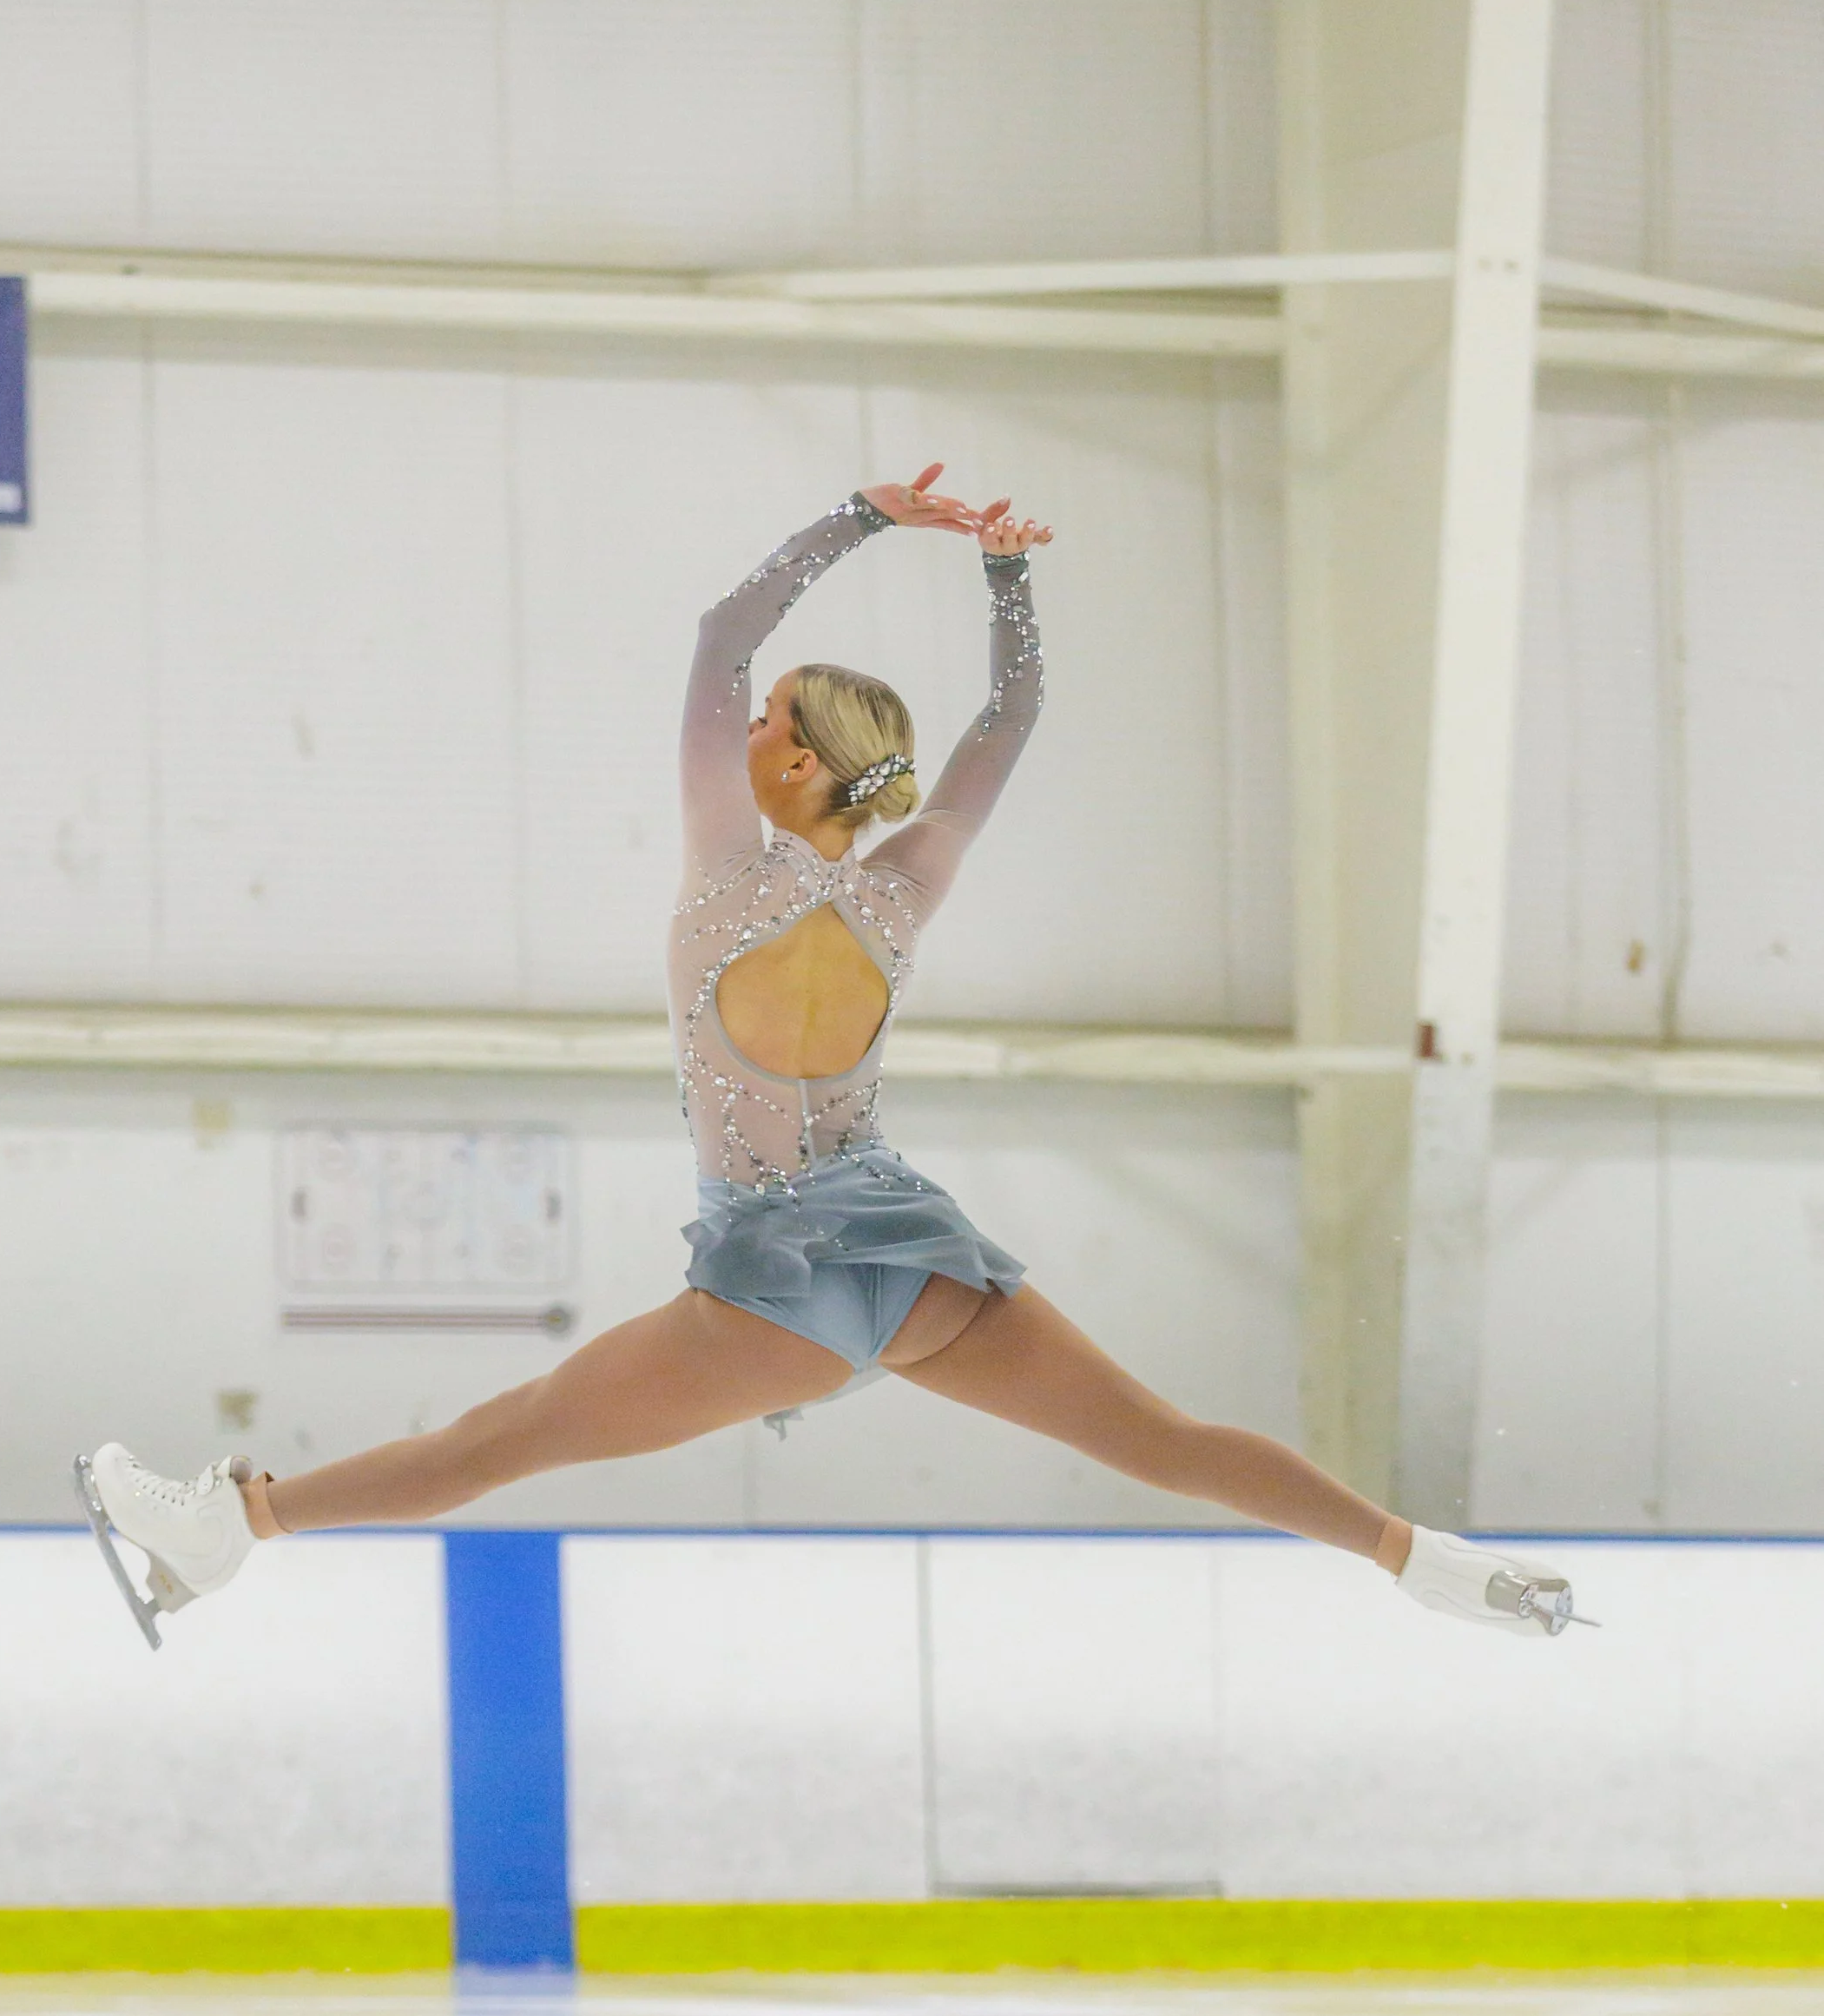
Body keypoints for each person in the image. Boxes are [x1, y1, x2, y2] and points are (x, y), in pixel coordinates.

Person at [76, 469, 1584, 1647]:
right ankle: (1424, 1560)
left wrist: (864, 517)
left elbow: (716, 638)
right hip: (921, 1273)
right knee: (1168, 1440)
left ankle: (234, 1524)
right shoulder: (902, 891)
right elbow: (1012, 715)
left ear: (794, 757)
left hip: (778, 1286)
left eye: (768, 717)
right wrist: (1005, 573)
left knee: (507, 1438)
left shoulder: (730, 871)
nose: (742, 722)